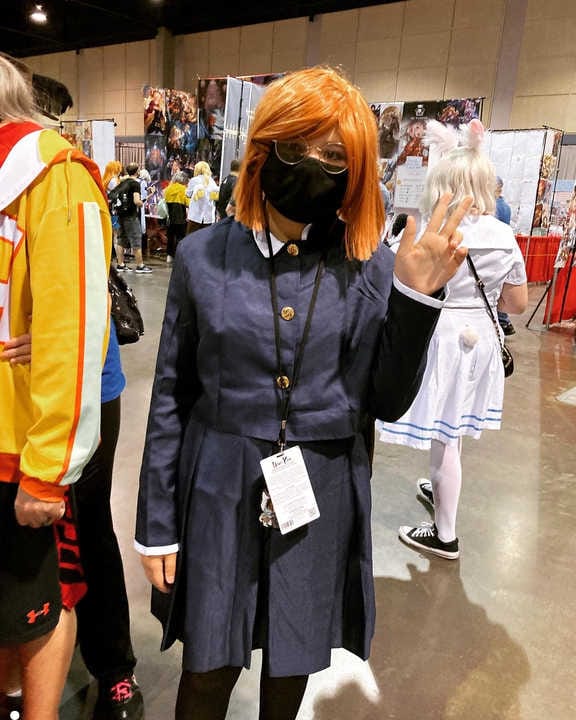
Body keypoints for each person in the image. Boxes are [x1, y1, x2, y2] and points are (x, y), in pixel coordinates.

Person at [135, 66, 472, 720]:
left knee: (292, 659)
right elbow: (171, 396)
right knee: (208, 664)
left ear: (357, 169)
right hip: (218, 487)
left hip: (321, 487)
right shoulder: (203, 257)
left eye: (335, 155)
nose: (314, 165)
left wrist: (414, 296)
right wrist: (156, 525)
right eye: (296, 146)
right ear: (264, 148)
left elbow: (388, 400)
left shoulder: (371, 264)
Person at [0, 52, 111, 719]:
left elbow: (75, 327)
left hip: (29, 438)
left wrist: (46, 471)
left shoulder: (53, 172)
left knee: (43, 594)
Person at [377, 119, 528, 560]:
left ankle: (445, 535)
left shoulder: (429, 229)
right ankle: (441, 487)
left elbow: (394, 286)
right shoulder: (504, 236)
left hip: (438, 334)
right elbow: (516, 304)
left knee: (444, 435)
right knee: (453, 427)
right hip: (480, 339)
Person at [4, 321, 144, 720]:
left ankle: (114, 665)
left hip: (80, 385)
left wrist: (62, 338)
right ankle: (14, 678)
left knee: (86, 527)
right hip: (10, 391)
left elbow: (89, 304)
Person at [114, 163, 152, 274]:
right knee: (136, 239)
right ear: (137, 171)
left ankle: (121, 264)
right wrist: (141, 203)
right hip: (131, 215)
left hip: (120, 214)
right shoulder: (135, 183)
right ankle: (140, 265)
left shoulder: (122, 182)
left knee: (121, 239)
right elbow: (136, 201)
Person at [494, 176, 515, 335]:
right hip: (501, 252)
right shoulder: (506, 206)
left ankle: (502, 320)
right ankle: (503, 320)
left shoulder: (495, 206)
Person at [184, 160, 219, 233]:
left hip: (195, 216)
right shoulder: (212, 181)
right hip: (208, 217)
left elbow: (188, 194)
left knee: (191, 238)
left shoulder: (194, 180)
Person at [164, 171, 190, 264]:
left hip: (170, 218)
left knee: (170, 237)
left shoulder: (168, 189)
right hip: (180, 218)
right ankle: (179, 256)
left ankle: (169, 256)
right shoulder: (184, 190)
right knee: (180, 237)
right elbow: (188, 203)